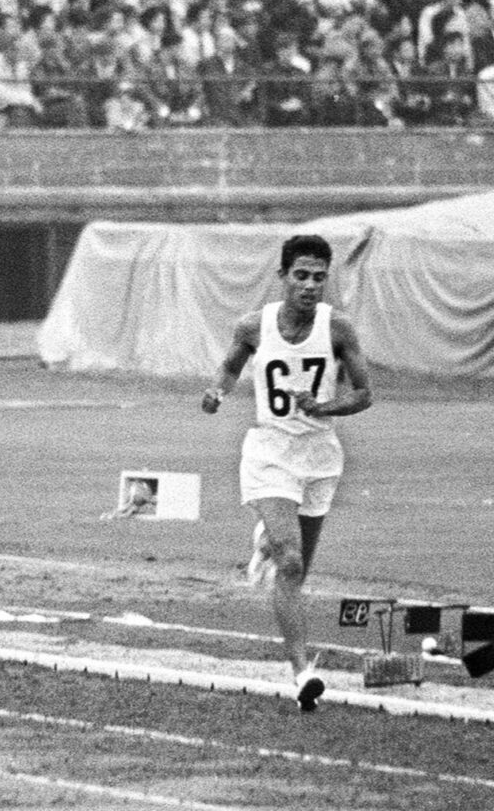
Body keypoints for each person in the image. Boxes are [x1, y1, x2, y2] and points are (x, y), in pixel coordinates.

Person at [201, 234, 372, 711]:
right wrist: (216, 392)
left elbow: (363, 394)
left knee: (298, 569)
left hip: (319, 456)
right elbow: (229, 368)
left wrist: (323, 406)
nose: (311, 285)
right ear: (283, 276)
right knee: (291, 561)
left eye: (319, 277)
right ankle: (302, 672)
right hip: (270, 451)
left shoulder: (338, 328)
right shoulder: (254, 326)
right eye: (301, 275)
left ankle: (267, 539)